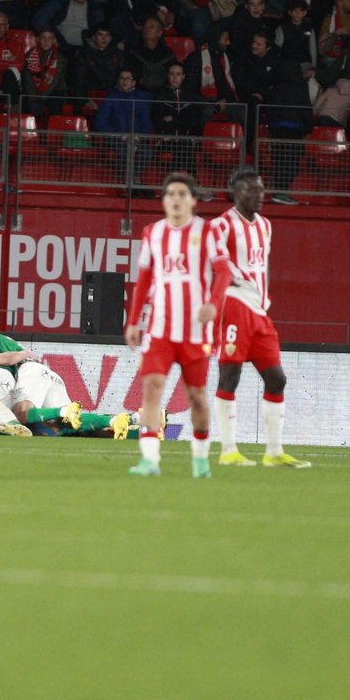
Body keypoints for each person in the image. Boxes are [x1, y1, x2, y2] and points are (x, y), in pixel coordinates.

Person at [123, 171, 233, 477]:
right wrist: (133, 321)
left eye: (182, 194)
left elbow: (223, 272)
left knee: (197, 397)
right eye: (170, 194)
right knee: (152, 389)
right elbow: (144, 279)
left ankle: (199, 459)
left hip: (195, 331)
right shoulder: (152, 233)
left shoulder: (208, 232)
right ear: (163, 201)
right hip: (158, 328)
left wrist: (213, 303)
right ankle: (150, 459)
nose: (175, 199)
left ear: (193, 201)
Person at [208, 168, 309, 468]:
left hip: (260, 311)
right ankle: (228, 451)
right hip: (235, 306)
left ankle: (274, 452)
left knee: (276, 378)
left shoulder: (265, 225)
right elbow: (214, 266)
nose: (260, 195)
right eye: (253, 190)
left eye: (262, 189)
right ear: (236, 193)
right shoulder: (221, 225)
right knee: (230, 375)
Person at [23, 28, 69, 117]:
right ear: (37, 39)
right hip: (34, 90)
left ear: (54, 40)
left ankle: (55, 129)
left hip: (55, 91)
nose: (46, 41)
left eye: (50, 38)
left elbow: (55, 81)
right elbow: (27, 79)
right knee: (24, 101)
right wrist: (33, 98)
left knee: (55, 101)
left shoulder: (60, 58)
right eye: (43, 38)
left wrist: (41, 99)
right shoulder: (30, 55)